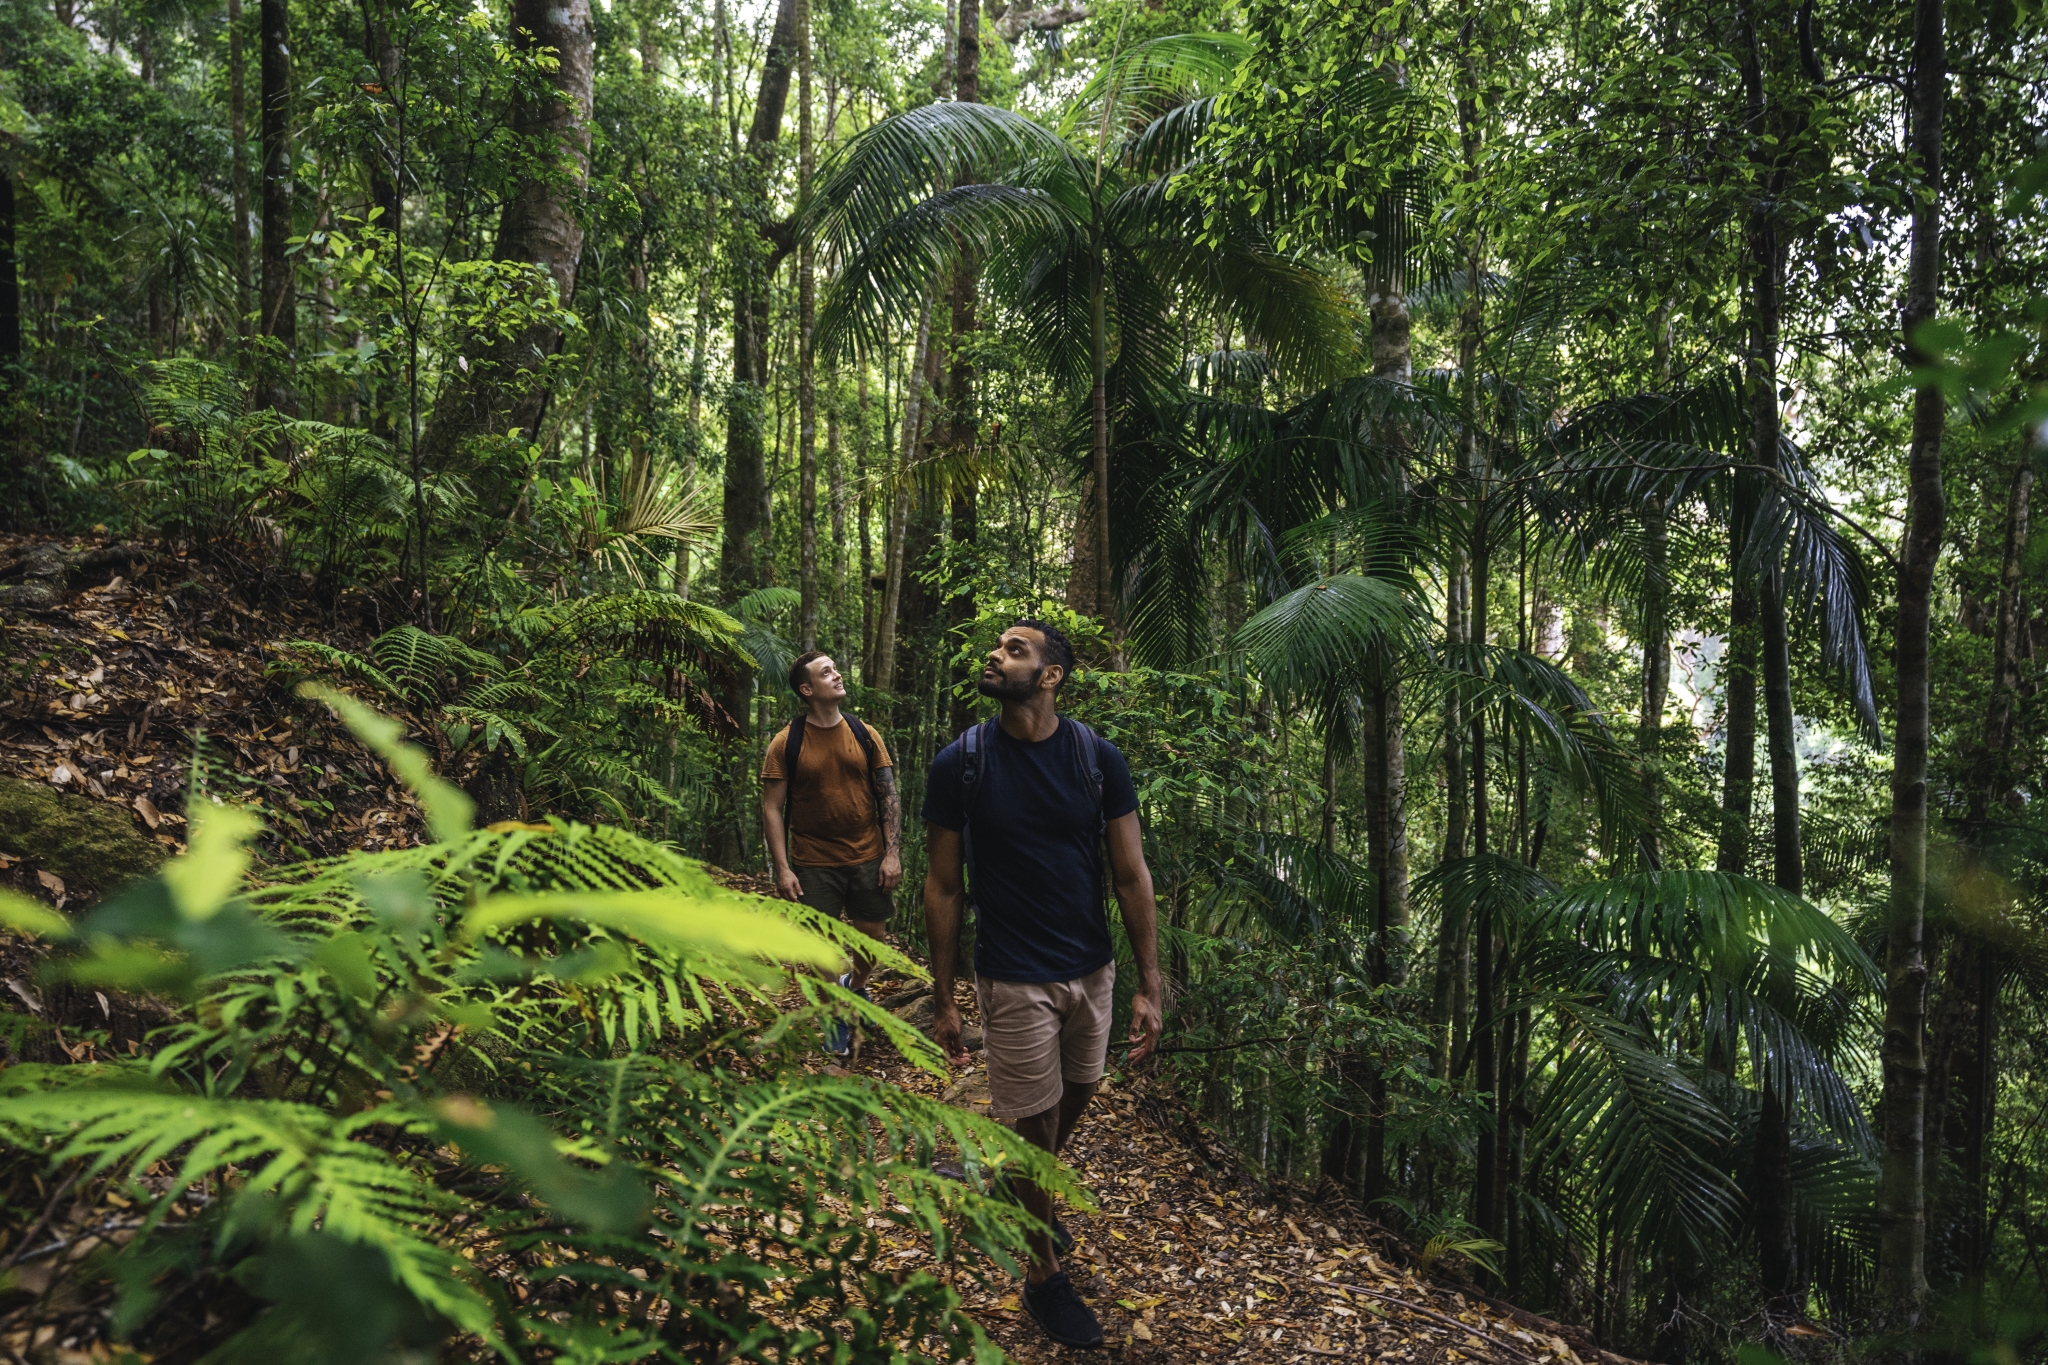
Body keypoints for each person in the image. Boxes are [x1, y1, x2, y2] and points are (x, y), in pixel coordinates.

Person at [921, 619, 1164, 1350]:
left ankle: (1014, 1185)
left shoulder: (1097, 758)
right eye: (998, 647)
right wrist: (944, 998)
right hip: (1012, 973)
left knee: (1077, 1093)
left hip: (1091, 967)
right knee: (1034, 1120)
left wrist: (1149, 984)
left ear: (1051, 675)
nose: (996, 656)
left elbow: (1130, 874)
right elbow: (942, 885)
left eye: (1015, 650)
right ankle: (1042, 1274)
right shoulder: (961, 764)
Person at [760, 651, 903, 1056]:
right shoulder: (786, 743)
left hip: (867, 855)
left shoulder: (864, 733)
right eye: (826, 672)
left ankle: (855, 987)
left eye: (835, 669)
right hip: (813, 861)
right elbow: (771, 808)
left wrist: (892, 854)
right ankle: (835, 1016)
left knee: (872, 937)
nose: (837, 675)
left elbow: (888, 796)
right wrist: (782, 868)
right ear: (807, 689)